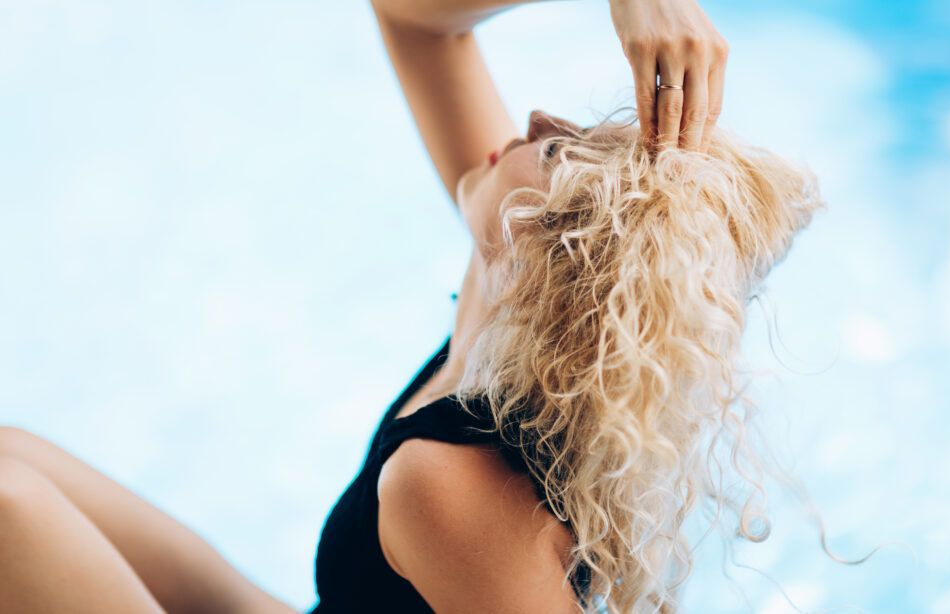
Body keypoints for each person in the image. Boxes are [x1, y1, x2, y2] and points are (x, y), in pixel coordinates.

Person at [0, 1, 822, 613]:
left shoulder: (455, 487)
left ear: (550, 253)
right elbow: (417, 18)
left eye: (563, 148)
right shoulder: (507, 309)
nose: (537, 117)